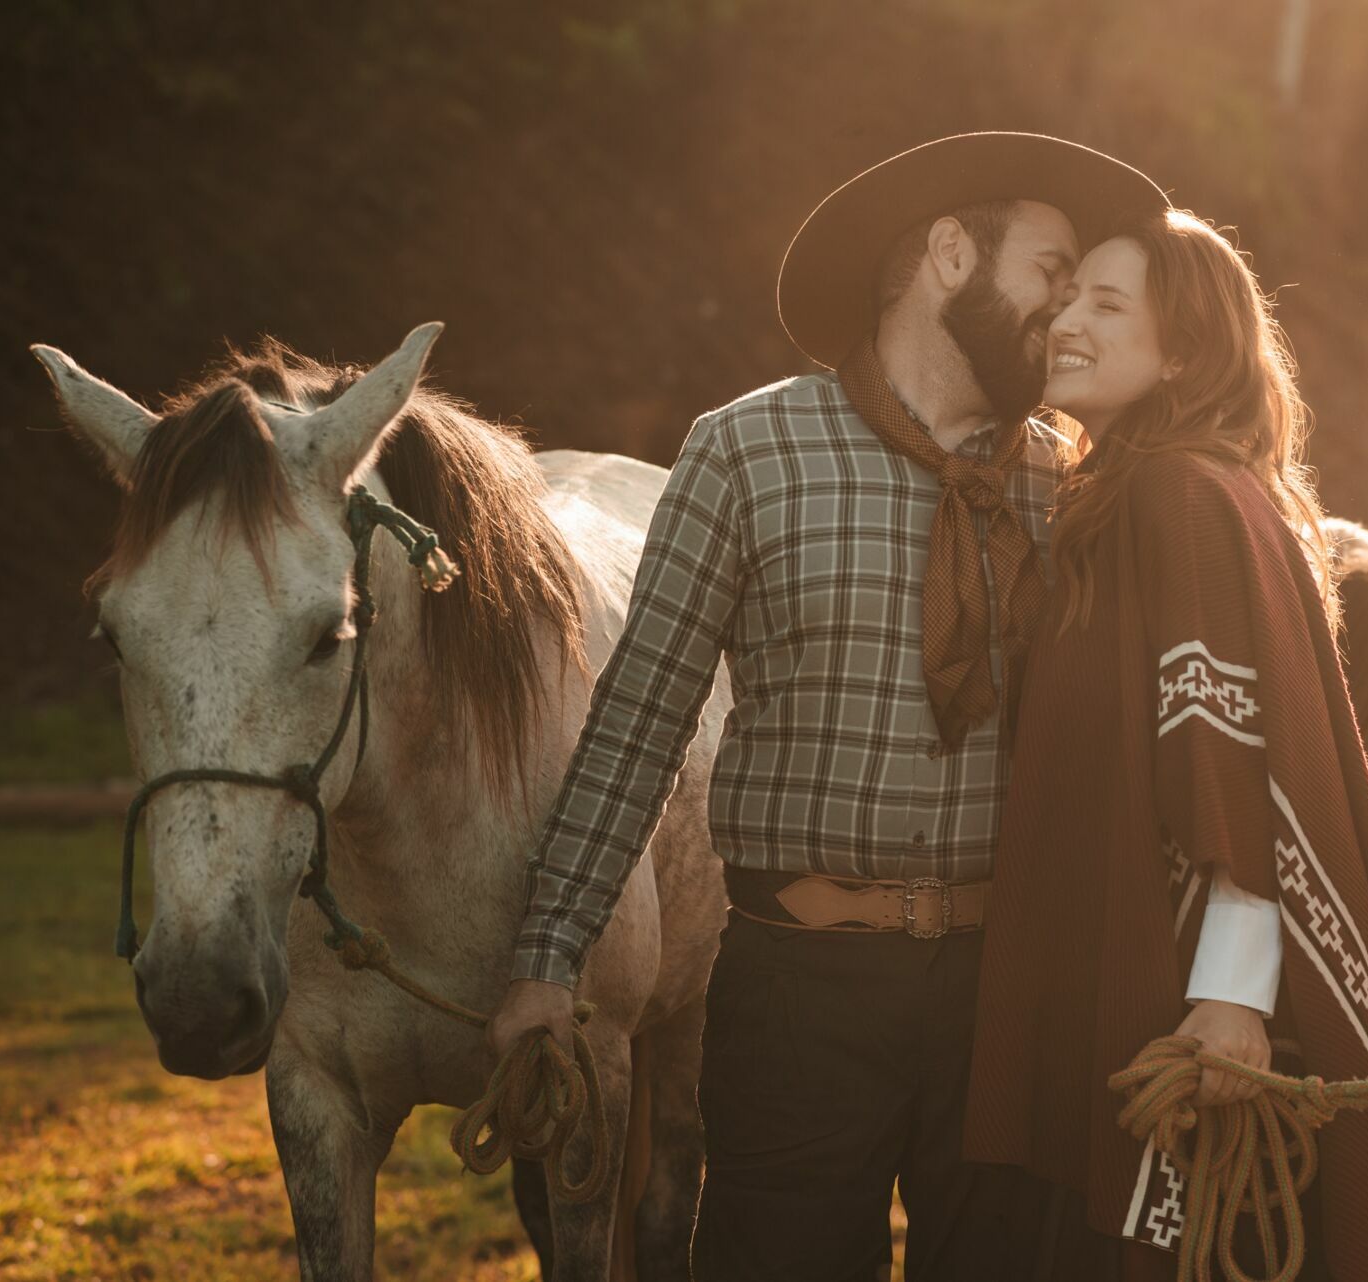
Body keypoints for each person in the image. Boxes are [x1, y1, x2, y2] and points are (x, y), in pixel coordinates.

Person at [484, 132, 1167, 1281]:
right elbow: (639, 718)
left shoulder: (1078, 480)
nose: (1065, 309)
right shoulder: (747, 450)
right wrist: (546, 962)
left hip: (1011, 991)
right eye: (1051, 268)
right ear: (952, 253)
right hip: (798, 988)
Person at [963, 210, 1368, 1281]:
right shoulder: (1154, 487)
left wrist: (1231, 996)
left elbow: (1231, 759)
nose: (1067, 321)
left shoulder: (1180, 494)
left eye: (1108, 304)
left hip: (1185, 996)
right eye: (1067, 297)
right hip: (1139, 962)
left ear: (1184, 349)